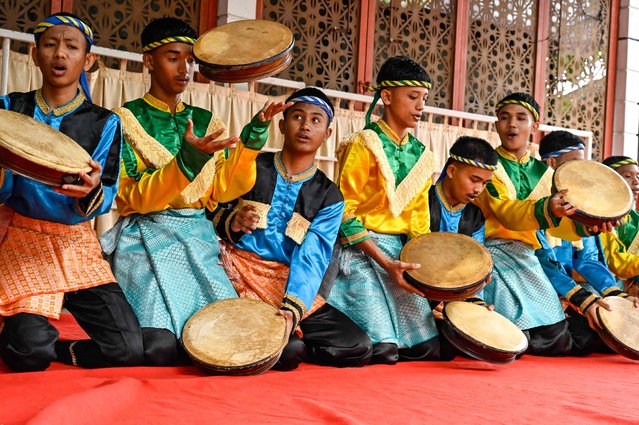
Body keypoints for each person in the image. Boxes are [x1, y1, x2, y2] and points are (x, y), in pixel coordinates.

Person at [100, 18, 286, 365]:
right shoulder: (124, 119)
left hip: (199, 239)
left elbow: (223, 189)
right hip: (146, 239)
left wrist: (254, 135)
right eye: (173, 57)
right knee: (161, 348)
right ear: (149, 61)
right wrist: (186, 160)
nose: (184, 68)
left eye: (190, 60)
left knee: (222, 340)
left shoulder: (206, 119)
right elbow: (132, 197)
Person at [0, 13, 144, 371]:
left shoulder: (104, 122)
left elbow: (107, 190)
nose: (59, 54)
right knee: (31, 353)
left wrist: (92, 191)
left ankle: (61, 351)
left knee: (128, 348)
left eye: (70, 46)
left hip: (74, 243)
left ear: (88, 60)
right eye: (49, 45)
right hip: (21, 236)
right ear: (35, 55)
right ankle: (25, 336)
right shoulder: (9, 109)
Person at [211, 87, 372, 371]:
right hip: (233, 270)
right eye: (297, 117)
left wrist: (291, 312)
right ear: (283, 125)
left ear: (327, 134)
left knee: (357, 345)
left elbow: (313, 255)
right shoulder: (254, 166)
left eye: (315, 120)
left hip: (285, 282)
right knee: (290, 354)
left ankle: (279, 338)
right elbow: (210, 207)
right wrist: (231, 221)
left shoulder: (329, 196)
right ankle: (280, 344)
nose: (306, 126)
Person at [325, 56, 451, 364]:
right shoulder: (364, 143)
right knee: (385, 350)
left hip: (399, 256)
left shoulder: (422, 155)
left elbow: (420, 224)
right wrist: (385, 261)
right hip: (360, 252)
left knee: (427, 349)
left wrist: (426, 274)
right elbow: (345, 211)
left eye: (424, 99)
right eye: (412, 97)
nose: (420, 106)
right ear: (386, 96)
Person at [475, 93, 588, 356]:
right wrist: (547, 207)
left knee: (557, 339)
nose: (511, 125)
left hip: (528, 255)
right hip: (491, 253)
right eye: (504, 118)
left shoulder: (547, 173)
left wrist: (587, 227)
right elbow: (505, 213)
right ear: (496, 125)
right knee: (517, 337)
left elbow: (557, 226)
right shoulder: (488, 164)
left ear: (534, 127)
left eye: (520, 118)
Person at [536, 131, 638, 355]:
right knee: (568, 339)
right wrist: (581, 299)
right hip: (544, 281)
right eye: (574, 163)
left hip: (577, 287)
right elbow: (542, 260)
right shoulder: (536, 202)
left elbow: (588, 260)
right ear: (551, 163)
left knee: (608, 324)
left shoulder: (586, 204)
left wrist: (615, 294)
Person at [429, 136, 498, 309]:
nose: (478, 189)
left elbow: (475, 264)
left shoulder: (475, 216)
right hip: (416, 290)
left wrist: (475, 302)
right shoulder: (422, 202)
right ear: (452, 171)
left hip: (453, 297)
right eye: (474, 180)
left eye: (484, 183)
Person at [601, 155, 639, 298]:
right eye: (628, 176)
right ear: (610, 181)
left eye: (638, 176)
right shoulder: (600, 215)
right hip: (598, 287)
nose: (636, 182)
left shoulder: (636, 219)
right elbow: (614, 260)